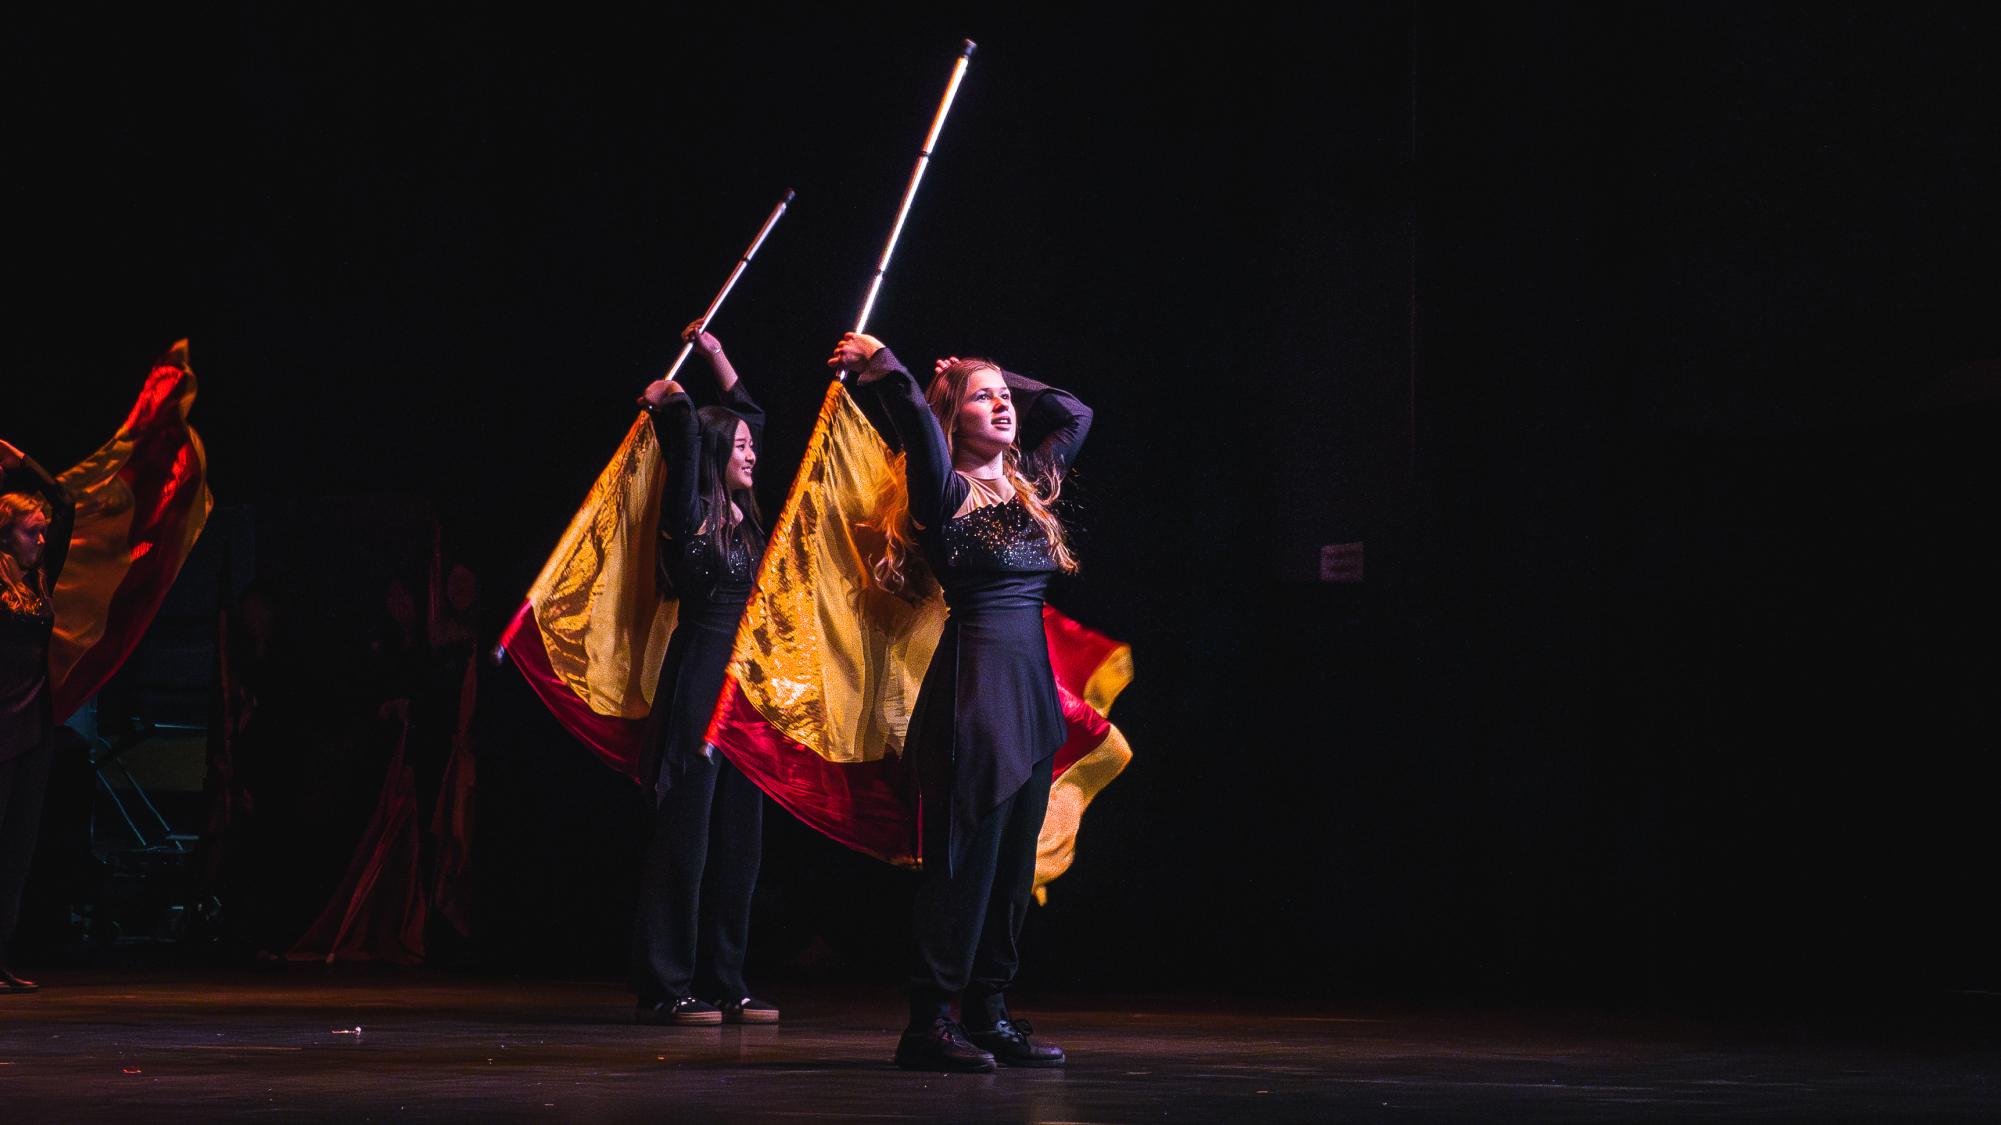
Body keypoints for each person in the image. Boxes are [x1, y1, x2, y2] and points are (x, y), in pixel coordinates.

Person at [829, 332, 1090, 1072]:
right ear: (954, 417)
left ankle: (989, 1011)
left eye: (1006, 395)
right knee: (965, 861)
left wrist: (998, 372)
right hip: (974, 686)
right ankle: (928, 1022)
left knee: (1012, 868)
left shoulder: (1032, 481)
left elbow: (1073, 411)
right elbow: (912, 412)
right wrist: (886, 365)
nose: (1004, 402)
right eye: (985, 396)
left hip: (1031, 693)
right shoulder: (942, 486)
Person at [630, 323, 779, 1026]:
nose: (751, 449)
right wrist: (676, 402)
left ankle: (728, 978)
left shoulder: (751, 523)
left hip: (742, 690)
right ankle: (669, 981)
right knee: (684, 836)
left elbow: (749, 411)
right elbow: (690, 432)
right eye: (741, 446)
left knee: (739, 844)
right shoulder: (689, 516)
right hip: (696, 680)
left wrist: (717, 354)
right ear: (717, 453)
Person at [0, 439, 76, 994]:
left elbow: (66, 501)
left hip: (35, 727)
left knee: (18, 853)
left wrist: (20, 460)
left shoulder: (39, 580)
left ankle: (0, 958)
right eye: (32, 531)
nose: (42, 539)